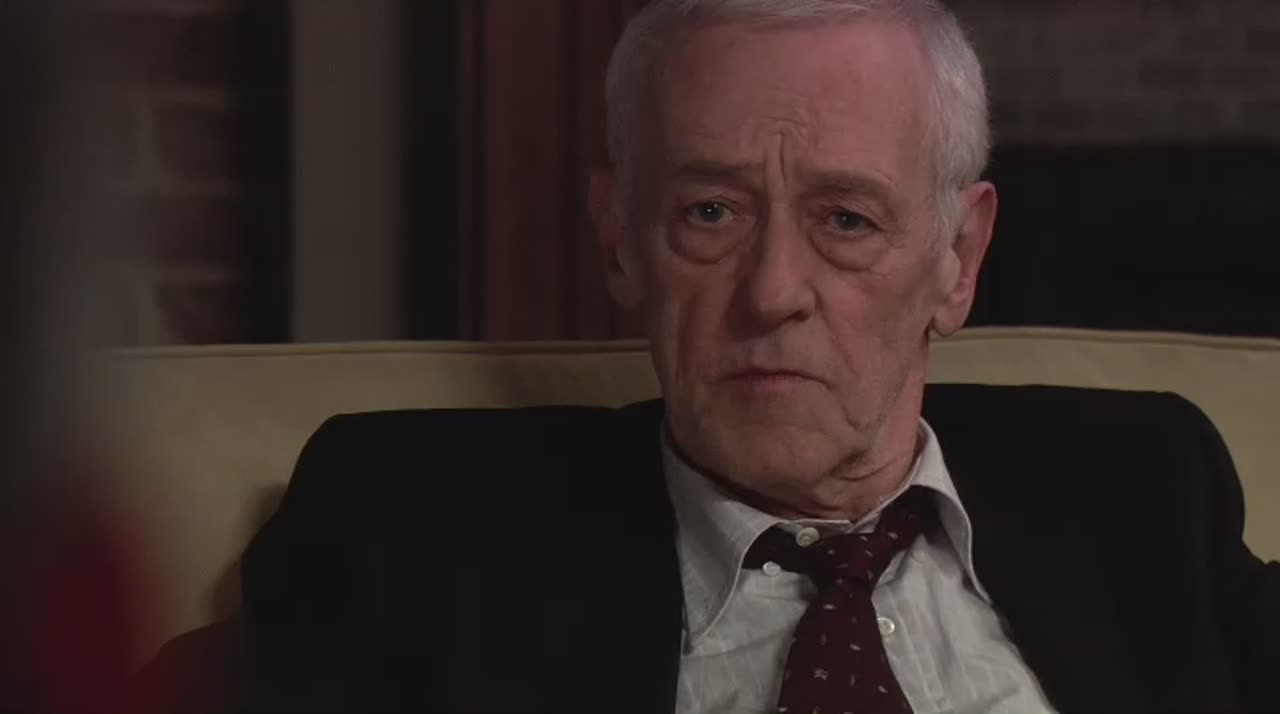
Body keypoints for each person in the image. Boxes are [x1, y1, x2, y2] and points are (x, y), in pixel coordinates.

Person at [139, 1, 1279, 712]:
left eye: (845, 220)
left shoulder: (1144, 491)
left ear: (957, 258)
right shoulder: (409, 529)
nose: (773, 291)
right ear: (618, 242)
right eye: (710, 213)